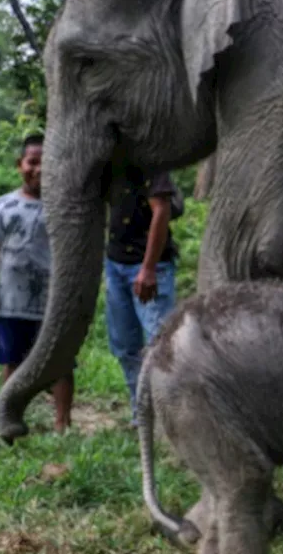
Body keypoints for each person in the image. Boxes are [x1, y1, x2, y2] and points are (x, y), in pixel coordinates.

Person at [0, 134, 73, 433]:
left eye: (46, 162)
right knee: (13, 362)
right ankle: (10, 415)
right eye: (32, 161)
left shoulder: (66, 207)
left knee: (61, 364)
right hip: (11, 302)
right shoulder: (2, 206)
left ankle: (62, 423)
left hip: (52, 304)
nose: (39, 168)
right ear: (20, 165)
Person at [104, 165, 181, 426]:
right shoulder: (110, 166)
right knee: (125, 344)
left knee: (159, 342)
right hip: (115, 264)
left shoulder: (150, 164)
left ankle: (168, 412)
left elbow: (162, 210)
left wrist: (148, 268)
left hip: (149, 267)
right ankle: (142, 411)